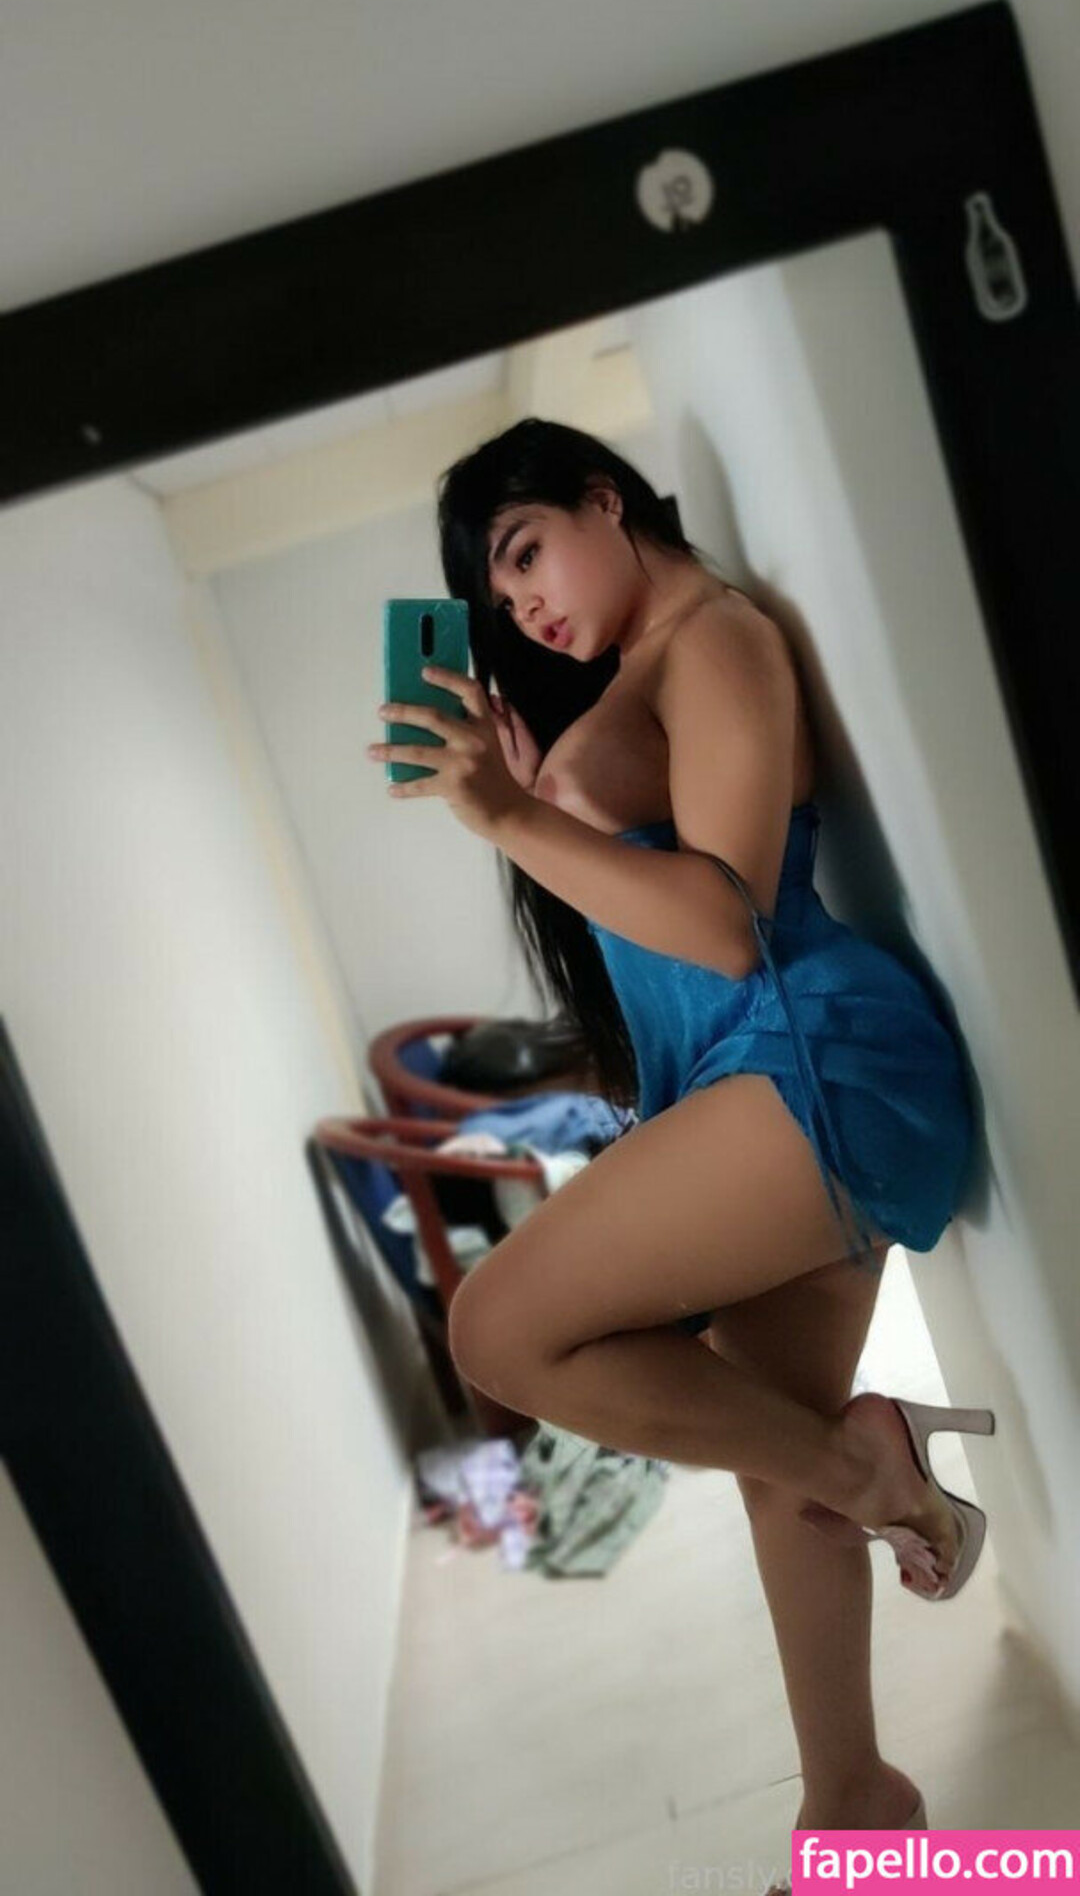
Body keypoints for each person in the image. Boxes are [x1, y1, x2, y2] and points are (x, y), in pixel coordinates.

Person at [366, 417, 992, 1838]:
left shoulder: (717, 638)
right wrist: (521, 796)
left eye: (527, 549)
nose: (523, 601)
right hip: (754, 1077)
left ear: (605, 499)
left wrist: (509, 817)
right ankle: (859, 1810)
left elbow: (725, 924)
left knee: (498, 1330)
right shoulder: (639, 669)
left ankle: (872, 1467)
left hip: (817, 1058)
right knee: (778, 1468)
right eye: (498, 589)